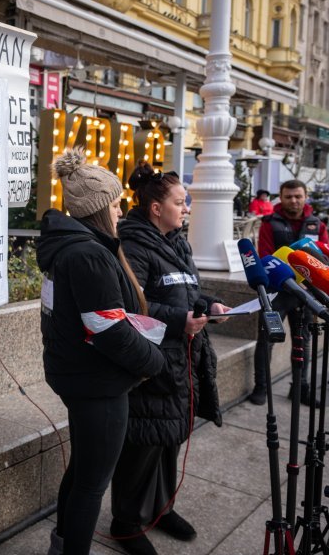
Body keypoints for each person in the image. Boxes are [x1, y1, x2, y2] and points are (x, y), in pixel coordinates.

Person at [36, 148, 166, 555]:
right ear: (97, 209)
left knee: (82, 472)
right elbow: (107, 330)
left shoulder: (74, 246)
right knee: (92, 485)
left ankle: (62, 544)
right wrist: (155, 362)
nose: (120, 210)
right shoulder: (88, 254)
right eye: (115, 204)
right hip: (98, 384)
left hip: (80, 376)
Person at [109, 165, 230, 555]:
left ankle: (161, 510)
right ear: (156, 208)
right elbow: (133, 304)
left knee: (170, 439)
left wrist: (209, 304)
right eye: (181, 203)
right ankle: (126, 523)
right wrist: (181, 320)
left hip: (184, 359)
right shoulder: (132, 243)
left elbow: (188, 289)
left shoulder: (178, 241)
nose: (187, 209)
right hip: (153, 362)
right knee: (144, 444)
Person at [251, 179, 329, 406]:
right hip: (276, 292)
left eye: (298, 196)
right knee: (266, 340)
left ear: (305, 197)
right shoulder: (268, 223)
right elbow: (265, 256)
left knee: (303, 341)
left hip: (308, 295)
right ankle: (261, 387)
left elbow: (323, 259)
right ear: (281, 198)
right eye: (288, 196)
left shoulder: (319, 225)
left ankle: (300, 389)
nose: (293, 200)